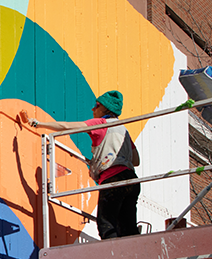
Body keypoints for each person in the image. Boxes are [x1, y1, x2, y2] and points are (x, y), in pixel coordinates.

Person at [19, 90, 141, 239]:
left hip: (113, 180)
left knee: (106, 224)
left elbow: (67, 126)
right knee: (128, 228)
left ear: (106, 109)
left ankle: (114, 252)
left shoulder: (101, 123)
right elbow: (136, 160)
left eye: (97, 105)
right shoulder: (123, 131)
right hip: (132, 181)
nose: (93, 109)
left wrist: (39, 124)